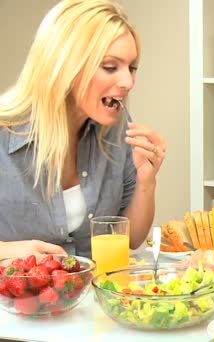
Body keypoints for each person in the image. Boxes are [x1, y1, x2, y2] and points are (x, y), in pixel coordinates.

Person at [0, 0, 166, 259]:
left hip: (92, 295)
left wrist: (147, 182)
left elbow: (132, 239)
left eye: (132, 68)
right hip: (16, 298)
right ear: (65, 64)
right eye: (110, 67)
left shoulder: (117, 129)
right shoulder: (4, 132)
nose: (128, 81)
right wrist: (8, 251)